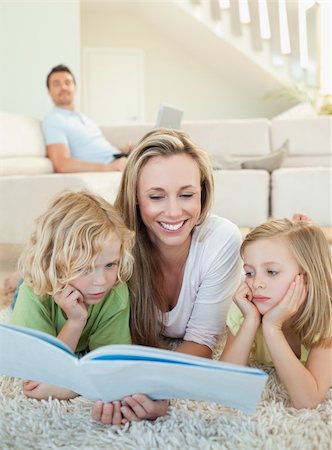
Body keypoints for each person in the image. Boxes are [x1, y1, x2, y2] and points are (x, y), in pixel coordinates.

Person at [91, 127, 243, 424]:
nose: (173, 212)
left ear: (203, 192)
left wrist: (156, 388)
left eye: (186, 195)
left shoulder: (222, 239)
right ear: (135, 196)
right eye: (157, 197)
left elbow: (202, 341)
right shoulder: (115, 243)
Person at [10, 190, 135, 400]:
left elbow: (111, 366)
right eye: (85, 268)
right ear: (55, 263)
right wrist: (75, 322)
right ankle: (18, 277)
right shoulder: (32, 295)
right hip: (42, 289)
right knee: (23, 285)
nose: (101, 281)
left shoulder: (114, 292)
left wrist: (71, 387)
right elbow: (39, 371)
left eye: (110, 264)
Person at [220, 218, 332, 409]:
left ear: (306, 277)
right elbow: (222, 382)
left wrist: (272, 328)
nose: (256, 284)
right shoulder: (246, 306)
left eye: (271, 271)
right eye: (249, 272)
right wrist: (250, 321)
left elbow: (308, 400)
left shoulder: (326, 317)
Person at [43, 64, 132, 173]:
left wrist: (122, 150)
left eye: (67, 82)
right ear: (49, 91)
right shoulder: (53, 120)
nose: (63, 87)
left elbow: (95, 149)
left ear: (75, 88)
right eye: (57, 84)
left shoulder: (83, 117)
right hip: (113, 165)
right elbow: (61, 164)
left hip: (121, 159)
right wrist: (109, 167)